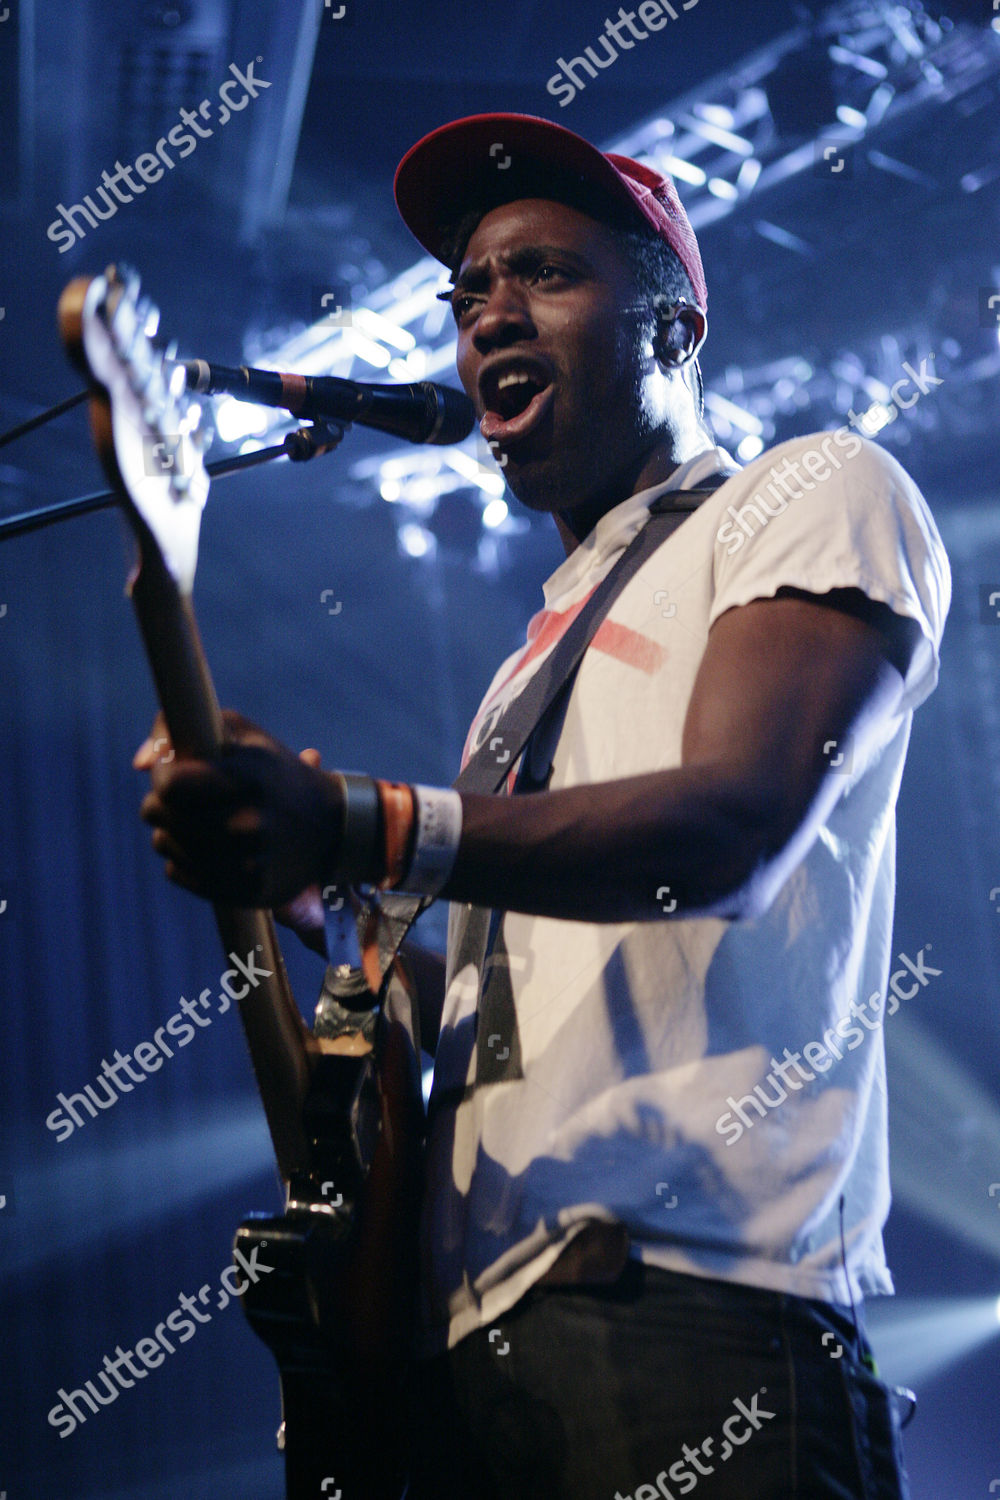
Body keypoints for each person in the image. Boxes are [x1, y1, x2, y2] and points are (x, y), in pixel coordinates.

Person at [135, 113, 951, 1499]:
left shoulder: (805, 492)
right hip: (481, 1354)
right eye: (468, 294)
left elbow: (728, 833)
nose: (488, 312)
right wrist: (322, 898)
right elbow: (500, 992)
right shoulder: (522, 674)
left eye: (545, 275)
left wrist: (355, 821)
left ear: (676, 326)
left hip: (695, 1312)